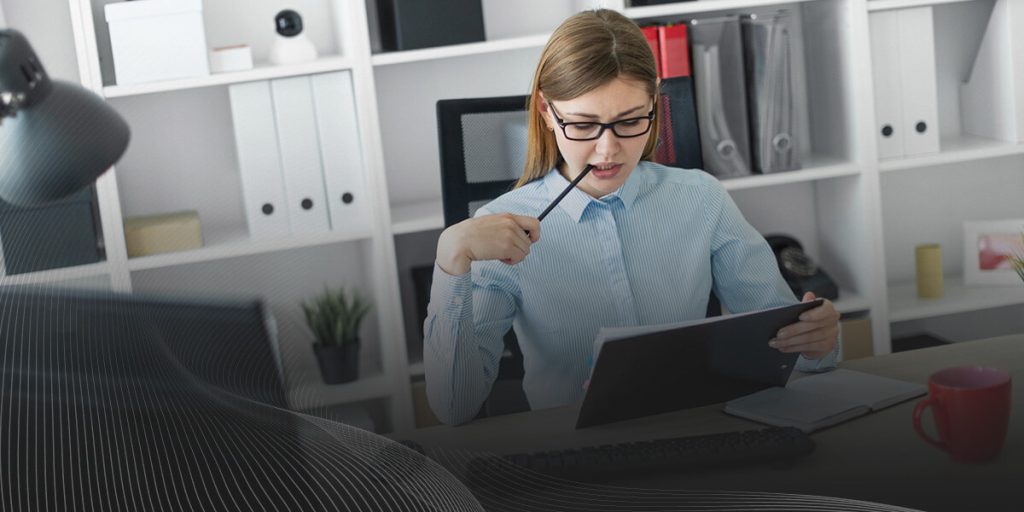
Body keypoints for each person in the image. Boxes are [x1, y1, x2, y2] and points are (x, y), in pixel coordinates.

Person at [423, 9, 840, 426]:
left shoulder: (701, 198)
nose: (608, 151)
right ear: (547, 113)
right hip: (572, 454)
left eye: (629, 121)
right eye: (584, 125)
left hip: (697, 432)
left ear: (655, 104)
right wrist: (451, 258)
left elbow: (789, 344)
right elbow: (455, 406)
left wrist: (817, 341)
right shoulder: (499, 229)